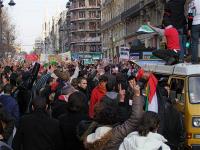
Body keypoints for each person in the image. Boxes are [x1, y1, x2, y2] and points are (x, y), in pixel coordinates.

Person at [84, 84, 144, 150]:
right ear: (114, 119)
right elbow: (135, 119)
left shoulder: (91, 129)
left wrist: (121, 100)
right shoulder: (115, 133)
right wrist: (137, 95)